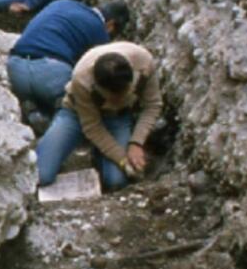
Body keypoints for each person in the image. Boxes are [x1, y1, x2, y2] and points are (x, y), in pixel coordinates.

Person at [36, 42, 164, 191]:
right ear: (97, 86)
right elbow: (93, 127)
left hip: (117, 117)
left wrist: (136, 142)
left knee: (115, 182)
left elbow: (152, 105)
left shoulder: (144, 63)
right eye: (111, 97)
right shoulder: (82, 78)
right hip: (76, 113)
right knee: (41, 175)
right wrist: (122, 159)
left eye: (122, 94)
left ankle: (99, 157)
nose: (116, 100)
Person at [8, 0, 131, 126]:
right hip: (51, 74)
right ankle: (52, 120)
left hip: (15, 67)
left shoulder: (63, 3)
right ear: (110, 25)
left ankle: (31, 106)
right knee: (78, 107)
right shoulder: (99, 31)